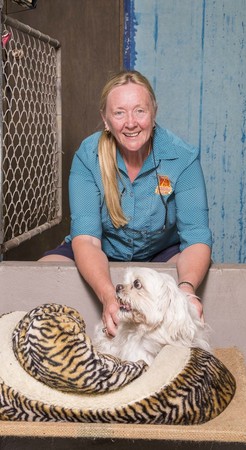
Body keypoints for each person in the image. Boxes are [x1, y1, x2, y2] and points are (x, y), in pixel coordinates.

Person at [40, 70, 212, 336]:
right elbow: (87, 240)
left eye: (139, 111)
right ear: (106, 120)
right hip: (100, 250)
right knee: (35, 277)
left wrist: (187, 290)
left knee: (189, 281)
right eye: (119, 113)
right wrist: (110, 297)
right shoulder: (88, 157)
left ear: (154, 113)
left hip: (159, 252)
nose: (131, 122)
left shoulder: (182, 158)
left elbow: (197, 237)